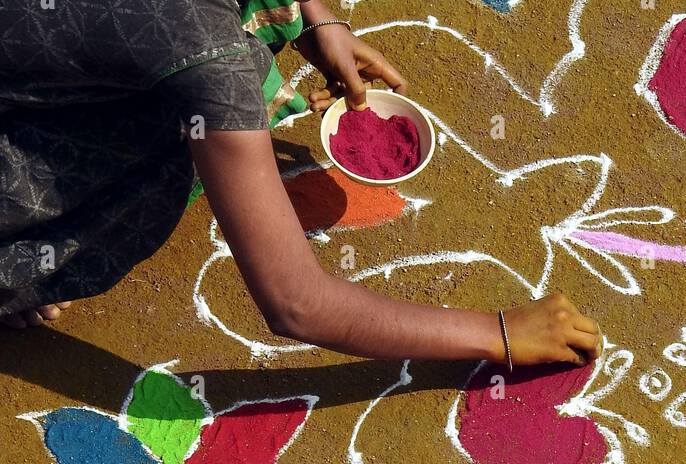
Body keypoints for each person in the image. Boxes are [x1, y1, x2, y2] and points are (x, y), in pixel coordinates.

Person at [0, 0, 601, 367]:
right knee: (191, 136)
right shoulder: (211, 60)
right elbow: (296, 305)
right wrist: (497, 333)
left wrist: (318, 21)